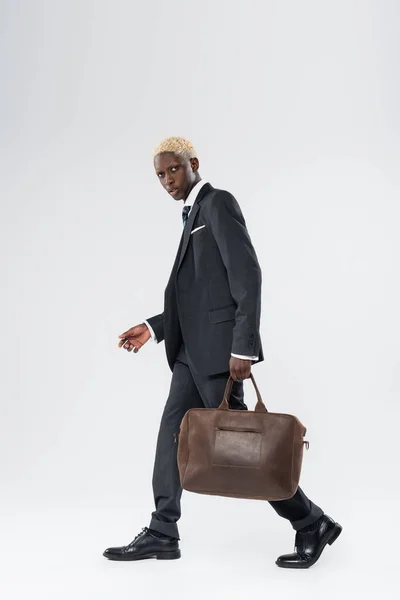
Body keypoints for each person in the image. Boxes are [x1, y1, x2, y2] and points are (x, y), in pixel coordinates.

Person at [103, 137, 342, 568]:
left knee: (244, 448)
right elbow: (198, 296)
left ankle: (311, 523)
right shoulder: (191, 214)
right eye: (159, 175)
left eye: (172, 170)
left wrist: (242, 348)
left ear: (192, 164)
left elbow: (247, 277)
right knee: (172, 439)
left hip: (218, 354)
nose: (166, 181)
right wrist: (155, 328)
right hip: (189, 354)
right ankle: (162, 531)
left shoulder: (216, 203)